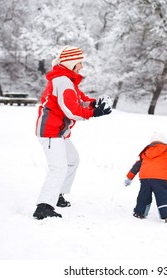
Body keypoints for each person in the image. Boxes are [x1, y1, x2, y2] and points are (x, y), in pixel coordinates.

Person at [33, 45, 112, 220]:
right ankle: (43, 207)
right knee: (58, 167)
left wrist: (95, 103)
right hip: (50, 131)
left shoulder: (67, 81)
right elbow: (72, 110)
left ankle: (58, 194)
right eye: (80, 63)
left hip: (58, 131)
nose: (82, 66)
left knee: (72, 160)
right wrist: (95, 113)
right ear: (71, 64)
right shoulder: (63, 81)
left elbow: (80, 100)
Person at [124, 130, 167, 224]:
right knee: (163, 196)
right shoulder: (166, 149)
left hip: (145, 178)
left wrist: (129, 178)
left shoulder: (145, 152)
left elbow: (136, 166)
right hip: (160, 178)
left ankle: (139, 212)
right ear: (163, 141)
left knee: (144, 195)